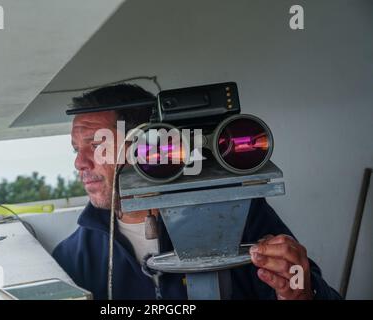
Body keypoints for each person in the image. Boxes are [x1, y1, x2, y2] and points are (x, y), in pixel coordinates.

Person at [52, 84, 341, 300]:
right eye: (77, 149)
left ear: (146, 147)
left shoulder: (236, 214)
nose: (80, 162)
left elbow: (313, 292)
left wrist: (304, 293)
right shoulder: (73, 257)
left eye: (95, 145)